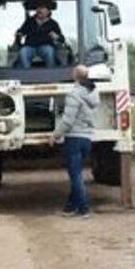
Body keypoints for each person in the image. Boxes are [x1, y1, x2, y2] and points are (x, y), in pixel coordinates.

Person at [49, 64, 99, 218]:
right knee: (77, 174)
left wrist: (55, 135)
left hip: (74, 138)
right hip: (87, 138)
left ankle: (84, 209)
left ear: (75, 76)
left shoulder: (74, 95)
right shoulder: (93, 93)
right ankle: (70, 208)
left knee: (75, 176)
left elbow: (68, 120)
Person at [15, 3, 64, 68]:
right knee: (23, 51)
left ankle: (51, 73)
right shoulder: (29, 21)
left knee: (49, 51)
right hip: (30, 46)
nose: (39, 10)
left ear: (48, 11)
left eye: (42, 8)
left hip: (45, 46)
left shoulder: (53, 23)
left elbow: (62, 39)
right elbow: (20, 32)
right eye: (38, 8)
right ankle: (26, 74)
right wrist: (19, 35)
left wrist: (56, 36)